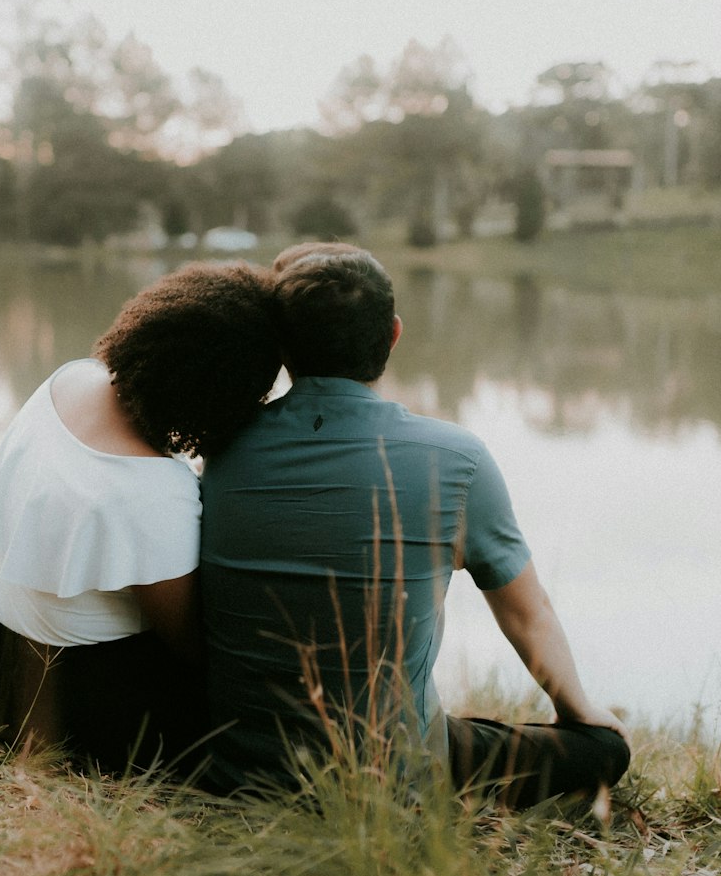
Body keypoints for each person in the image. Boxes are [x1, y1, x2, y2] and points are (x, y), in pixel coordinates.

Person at [199, 242, 631, 806]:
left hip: (238, 771)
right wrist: (584, 716)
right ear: (394, 334)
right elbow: (528, 616)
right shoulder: (456, 460)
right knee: (603, 750)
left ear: (282, 347)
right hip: (393, 779)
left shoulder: (221, 448)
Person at [0, 261, 281, 775]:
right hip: (68, 716)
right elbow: (188, 645)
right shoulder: (156, 489)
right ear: (222, 391)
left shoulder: (67, 381)